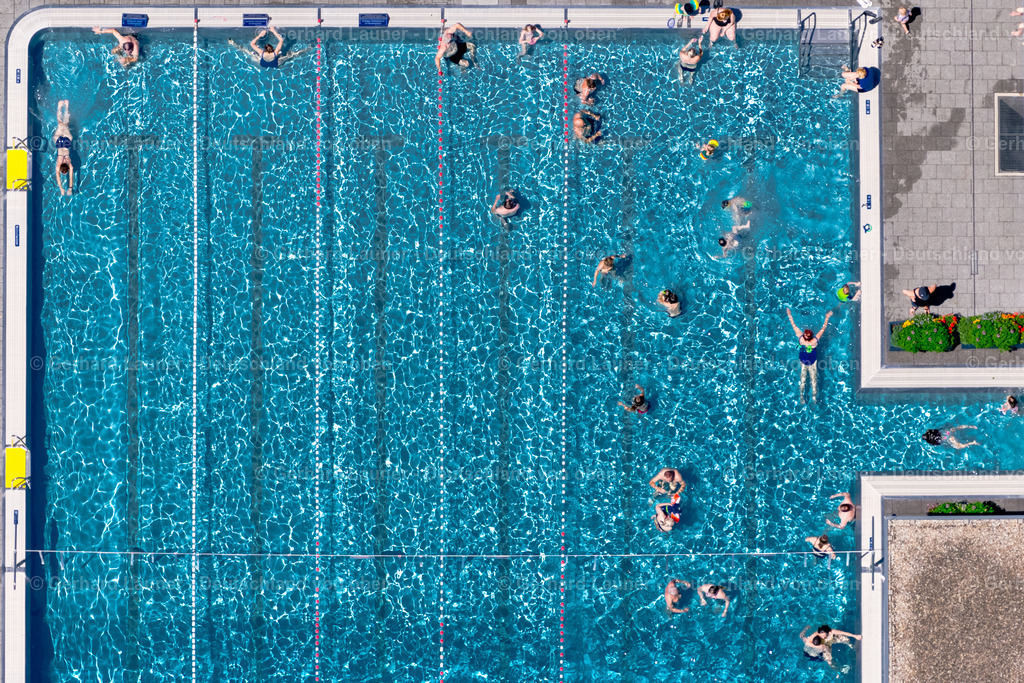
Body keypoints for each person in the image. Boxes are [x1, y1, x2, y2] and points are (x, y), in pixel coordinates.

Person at [786, 308, 833, 403]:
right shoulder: (814, 341)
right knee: (813, 379)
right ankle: (814, 397)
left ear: (804, 335)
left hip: (803, 360)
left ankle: (801, 397)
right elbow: (823, 329)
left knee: (803, 379)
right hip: (812, 361)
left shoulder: (801, 339)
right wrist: (827, 317)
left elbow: (793, 325)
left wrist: (789, 315)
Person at [52, 100, 74, 197]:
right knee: (60, 124)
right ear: (61, 168)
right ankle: (60, 107)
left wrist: (69, 188)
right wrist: (61, 188)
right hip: (59, 143)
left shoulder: (70, 165)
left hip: (67, 142)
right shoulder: (58, 164)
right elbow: (58, 177)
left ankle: (66, 107)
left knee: (65, 124)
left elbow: (70, 176)